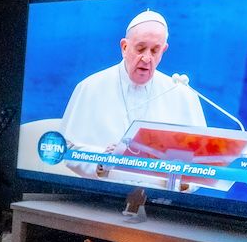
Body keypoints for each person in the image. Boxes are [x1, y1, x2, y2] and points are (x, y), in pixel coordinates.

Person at [60, 10, 206, 179]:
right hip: (99, 196)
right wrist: (101, 160)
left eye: (154, 51)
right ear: (124, 47)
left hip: (160, 201)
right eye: (140, 48)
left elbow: (200, 162)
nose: (146, 58)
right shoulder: (90, 87)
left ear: (164, 50)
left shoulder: (182, 94)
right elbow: (66, 148)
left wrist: (184, 181)